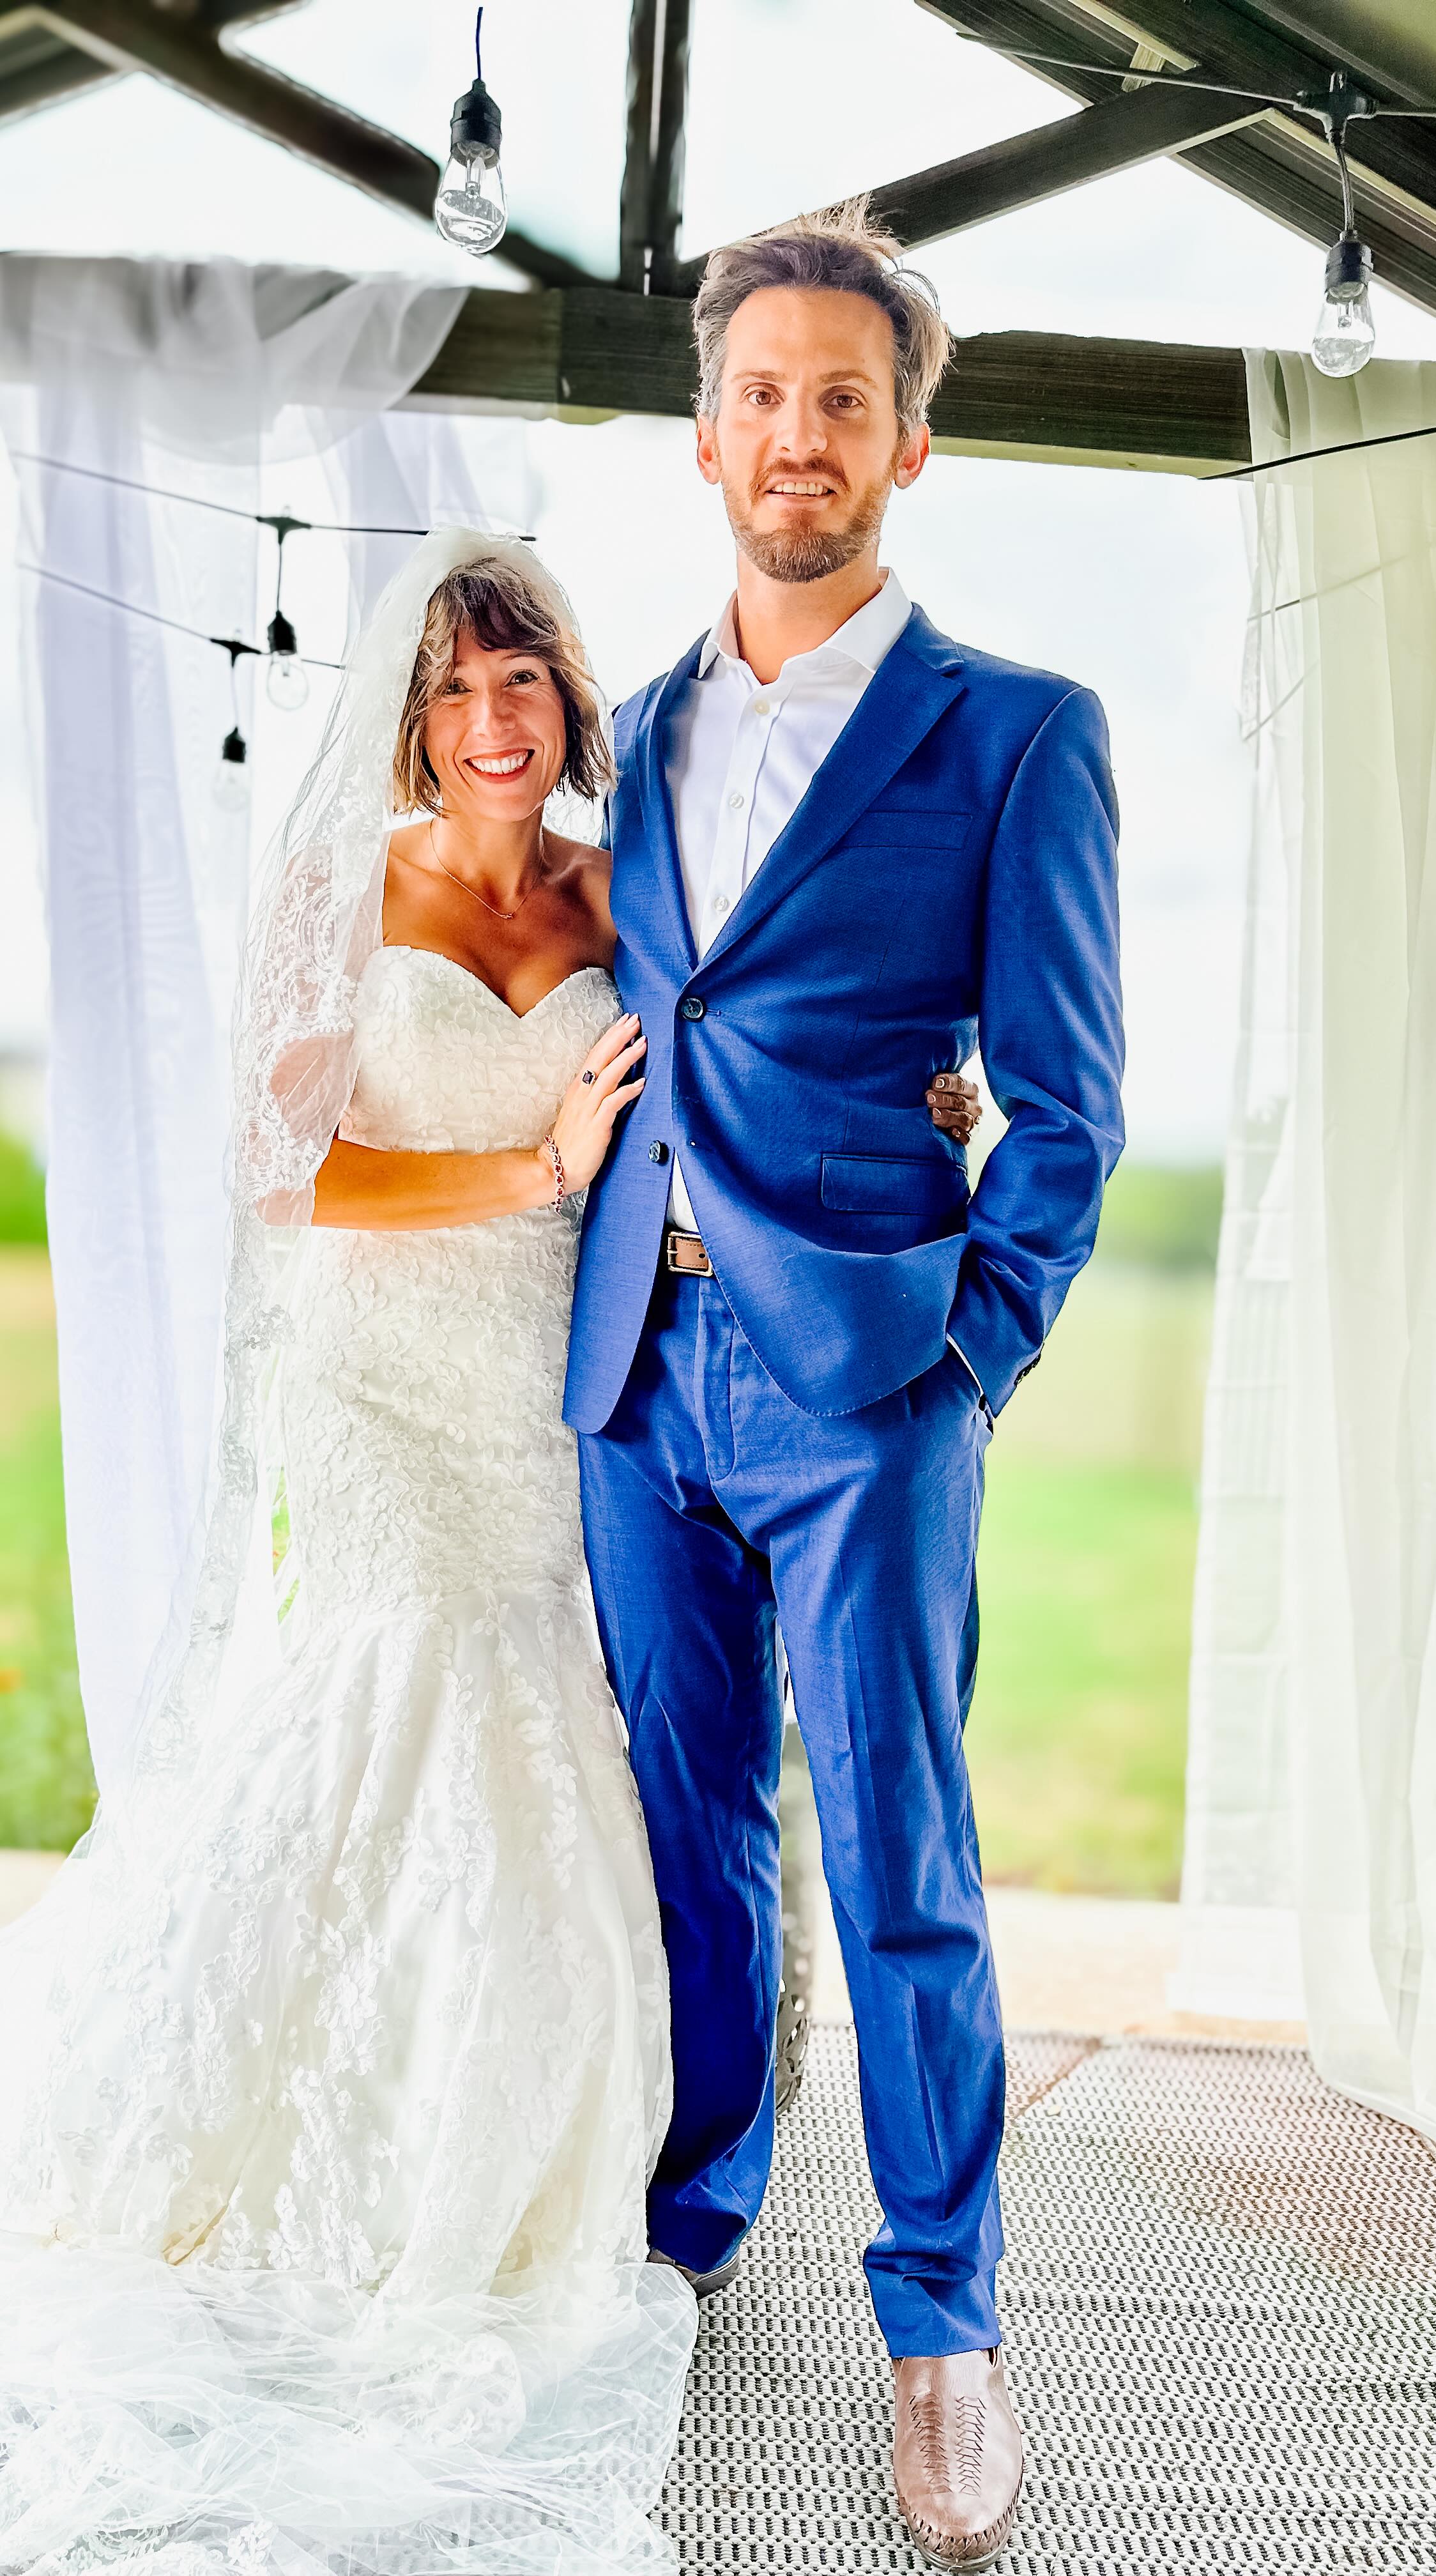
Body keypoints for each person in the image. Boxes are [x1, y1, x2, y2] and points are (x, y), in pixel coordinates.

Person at [0, 532, 698, 2576]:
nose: (492, 726)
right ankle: (281, 2140)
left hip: (536, 1389)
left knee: (525, 1736)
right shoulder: (349, 884)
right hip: (379, 1370)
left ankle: (506, 2149)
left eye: (523, 687)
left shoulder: (615, 903)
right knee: (393, 1692)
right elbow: (281, 1166)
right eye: (456, 694)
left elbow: (683, 1123)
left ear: (570, 706)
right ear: (415, 720)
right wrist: (524, 1162)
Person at [567, 204, 1125, 2571]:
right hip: (634, 1367)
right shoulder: (628, 740)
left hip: (866, 1392)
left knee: (897, 1864)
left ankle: (941, 2328)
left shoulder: (1015, 734)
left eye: (842, 398)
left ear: (912, 439)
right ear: (707, 434)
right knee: (686, 1839)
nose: (798, 434)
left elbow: (1071, 1110)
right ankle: (695, 2238)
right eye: (762, 394)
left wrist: (962, 1368)